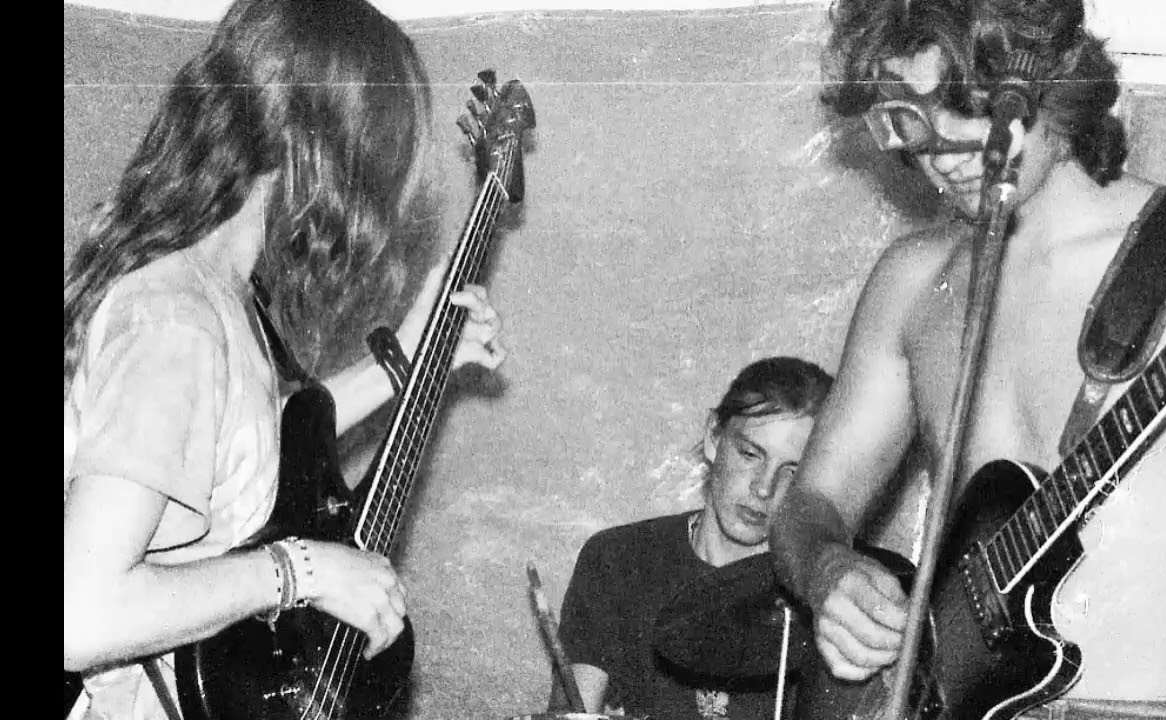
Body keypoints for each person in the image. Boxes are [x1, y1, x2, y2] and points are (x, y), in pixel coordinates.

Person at [62, 1, 507, 717]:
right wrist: (302, 570)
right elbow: (80, 615)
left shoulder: (222, 298)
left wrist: (412, 359)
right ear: (322, 147)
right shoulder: (176, 318)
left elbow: (252, 456)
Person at [770, 0, 1166, 718]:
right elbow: (812, 503)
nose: (942, 153)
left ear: (1056, 85)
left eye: (964, 106)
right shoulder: (912, 282)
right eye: (910, 120)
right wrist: (828, 571)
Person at [549, 357, 834, 719]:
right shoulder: (618, 560)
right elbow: (573, 709)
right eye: (750, 454)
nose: (764, 488)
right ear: (714, 435)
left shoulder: (824, 592)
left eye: (792, 472)